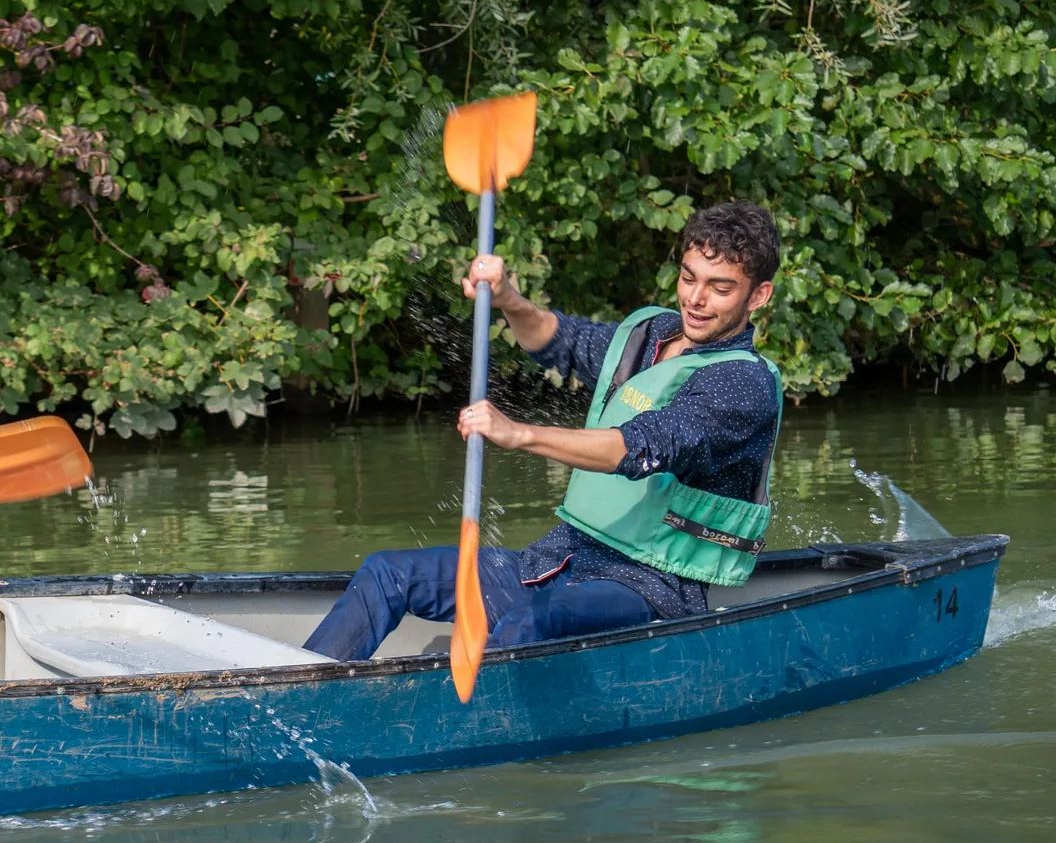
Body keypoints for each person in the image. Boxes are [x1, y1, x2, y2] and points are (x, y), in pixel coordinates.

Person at [306, 201, 784, 660]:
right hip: (562, 557)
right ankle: (300, 690)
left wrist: (521, 434)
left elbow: (638, 447)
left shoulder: (744, 384)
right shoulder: (651, 333)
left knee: (529, 623)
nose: (696, 299)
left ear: (758, 296)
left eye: (720, 288)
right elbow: (560, 340)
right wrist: (509, 300)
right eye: (688, 278)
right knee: (389, 572)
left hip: (646, 585)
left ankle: (462, 710)